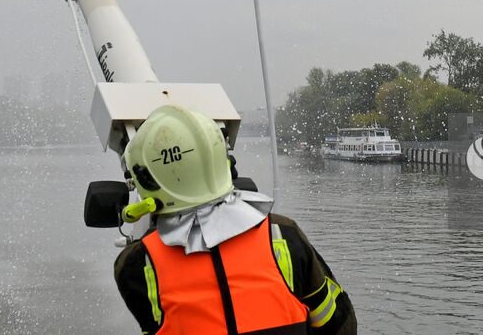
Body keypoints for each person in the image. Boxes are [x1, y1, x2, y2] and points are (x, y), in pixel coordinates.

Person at [113, 104, 356, 334]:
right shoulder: (282, 233)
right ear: (223, 162)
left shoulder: (136, 263)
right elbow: (339, 324)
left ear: (146, 180)